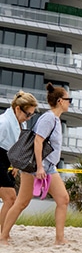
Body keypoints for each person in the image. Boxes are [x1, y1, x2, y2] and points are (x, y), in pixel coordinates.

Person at [0, 84, 70, 245]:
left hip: (47, 167)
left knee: (60, 199)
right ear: (60, 101)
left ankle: (59, 238)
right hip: (39, 168)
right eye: (68, 99)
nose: (69, 102)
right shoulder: (48, 118)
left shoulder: (55, 119)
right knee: (21, 201)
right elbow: (37, 142)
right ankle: (3, 236)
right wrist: (39, 167)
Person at [0, 91, 34, 233]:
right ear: (18, 108)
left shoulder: (22, 126)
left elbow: (17, 148)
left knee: (10, 199)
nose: (28, 118)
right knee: (10, 198)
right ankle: (3, 234)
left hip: (6, 161)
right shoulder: (3, 122)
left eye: (31, 115)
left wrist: (16, 165)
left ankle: (3, 232)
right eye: (27, 114)